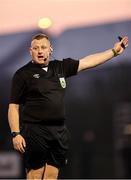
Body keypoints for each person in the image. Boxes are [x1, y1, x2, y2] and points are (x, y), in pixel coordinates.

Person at [8, 33, 128, 179]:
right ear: (30, 51)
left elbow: (87, 62)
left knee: (52, 175)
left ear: (50, 49)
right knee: (35, 175)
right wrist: (16, 133)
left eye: (43, 47)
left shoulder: (60, 67)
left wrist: (114, 52)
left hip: (59, 131)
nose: (40, 51)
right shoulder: (22, 74)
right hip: (34, 130)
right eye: (36, 48)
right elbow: (13, 106)